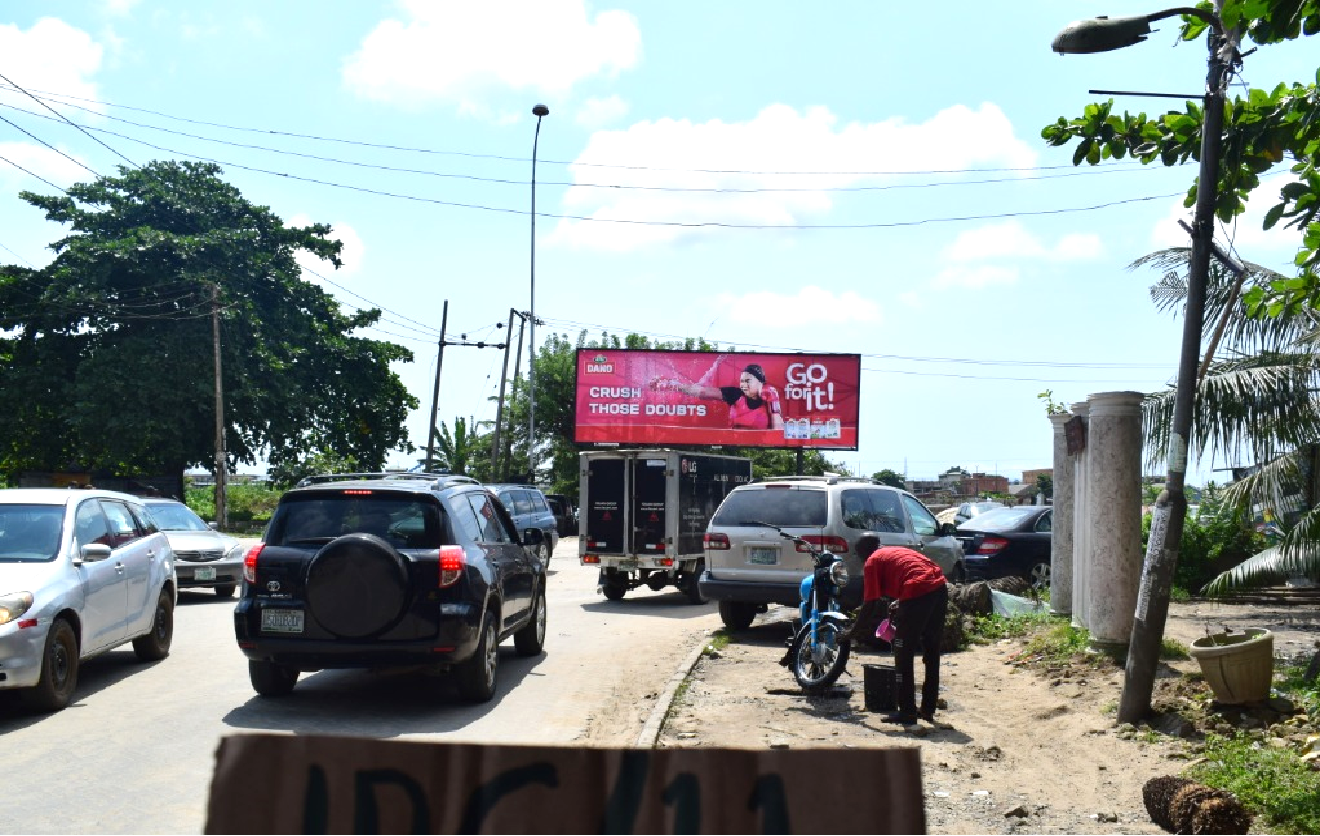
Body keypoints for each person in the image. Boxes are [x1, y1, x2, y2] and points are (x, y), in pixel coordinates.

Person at [843, 535, 949, 725]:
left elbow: (870, 604)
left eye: (859, 556)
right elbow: (916, 573)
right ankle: (928, 708)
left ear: (863, 552)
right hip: (939, 587)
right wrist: (902, 602)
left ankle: (907, 712)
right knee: (932, 650)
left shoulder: (872, 561)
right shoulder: (896, 551)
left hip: (918, 589)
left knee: (903, 651)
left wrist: (852, 632)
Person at [649, 363, 785, 430]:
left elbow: (778, 432)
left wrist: (774, 401)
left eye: (747, 381)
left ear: (760, 382)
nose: (743, 385)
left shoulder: (769, 397)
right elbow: (702, 392)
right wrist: (672, 385)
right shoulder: (735, 394)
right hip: (734, 442)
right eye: (742, 381)